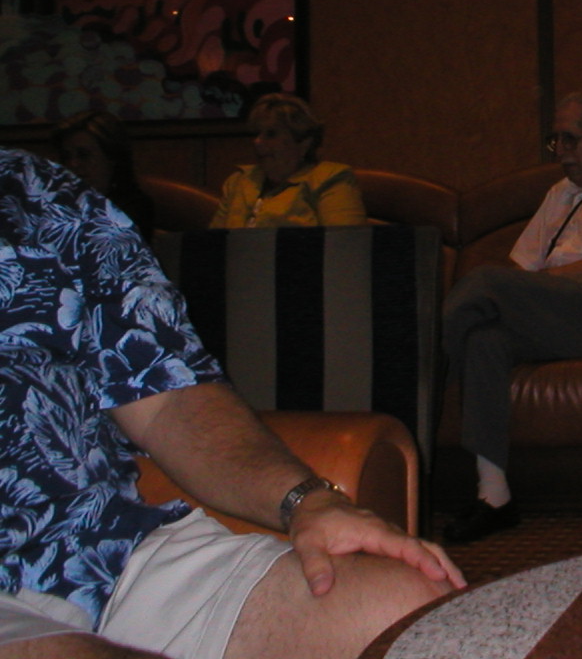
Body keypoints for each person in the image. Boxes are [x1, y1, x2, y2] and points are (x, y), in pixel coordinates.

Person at [0, 146, 465, 659]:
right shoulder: (241, 185)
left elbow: (167, 398)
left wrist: (309, 501)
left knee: (410, 609)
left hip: (94, 544)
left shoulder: (38, 191)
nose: (263, 144)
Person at [440, 91, 582, 543]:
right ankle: (494, 497)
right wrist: (531, 290)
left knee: (485, 281)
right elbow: (520, 268)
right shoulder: (558, 194)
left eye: (570, 139)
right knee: (484, 340)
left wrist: (543, 283)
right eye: (556, 142)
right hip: (552, 312)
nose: (561, 152)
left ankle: (423, 371)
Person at [211, 94, 367, 228]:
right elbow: (214, 244)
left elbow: (345, 244)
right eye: (257, 133)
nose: (257, 141)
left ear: (303, 142)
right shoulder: (238, 181)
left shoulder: (330, 179)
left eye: (271, 134)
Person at [52, 109, 155, 239]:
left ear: (111, 157)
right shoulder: (54, 203)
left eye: (84, 155)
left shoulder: (133, 208)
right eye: (66, 157)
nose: (73, 164)